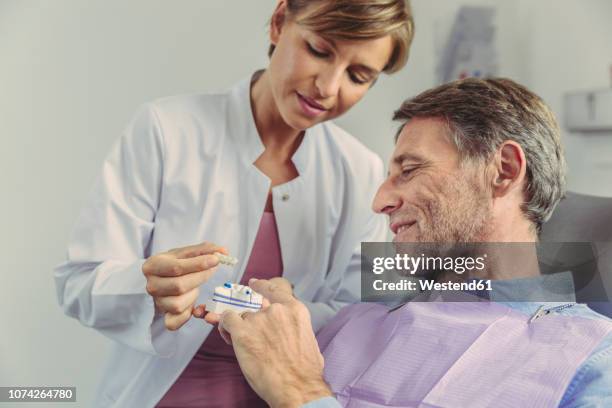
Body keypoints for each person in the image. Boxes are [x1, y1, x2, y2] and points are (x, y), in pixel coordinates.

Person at [53, 1, 414, 406]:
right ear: (279, 23)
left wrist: (278, 313)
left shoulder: (360, 169)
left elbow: (361, 311)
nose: (328, 87)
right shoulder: (166, 129)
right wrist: (148, 289)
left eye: (357, 76)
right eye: (319, 50)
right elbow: (78, 282)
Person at [214, 78, 612, 407]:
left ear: (503, 171)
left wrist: (300, 393)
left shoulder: (592, 362)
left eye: (409, 169)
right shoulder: (361, 317)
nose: (380, 201)